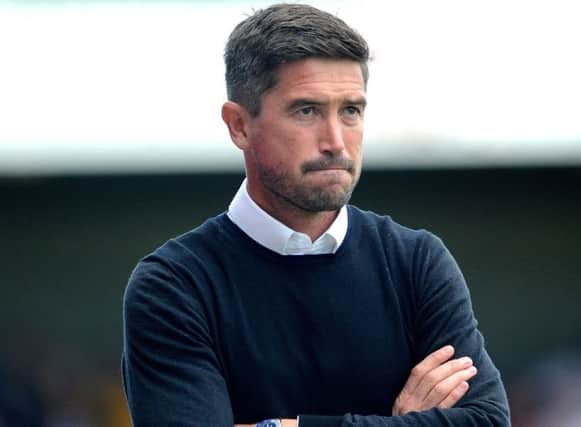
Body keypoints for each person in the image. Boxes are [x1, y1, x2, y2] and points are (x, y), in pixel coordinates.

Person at [122, 3, 510, 426]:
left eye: (351, 111)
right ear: (239, 125)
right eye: (306, 111)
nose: (336, 142)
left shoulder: (416, 262)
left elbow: (487, 421)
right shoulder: (175, 285)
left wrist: (285, 426)